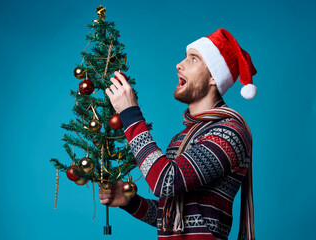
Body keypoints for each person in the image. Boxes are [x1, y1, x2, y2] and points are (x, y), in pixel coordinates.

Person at [100, 28, 257, 240]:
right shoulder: (180, 139)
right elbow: (172, 218)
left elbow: (165, 181)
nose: (179, 64)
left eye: (193, 59)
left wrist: (130, 114)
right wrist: (131, 201)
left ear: (213, 77)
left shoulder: (230, 132)